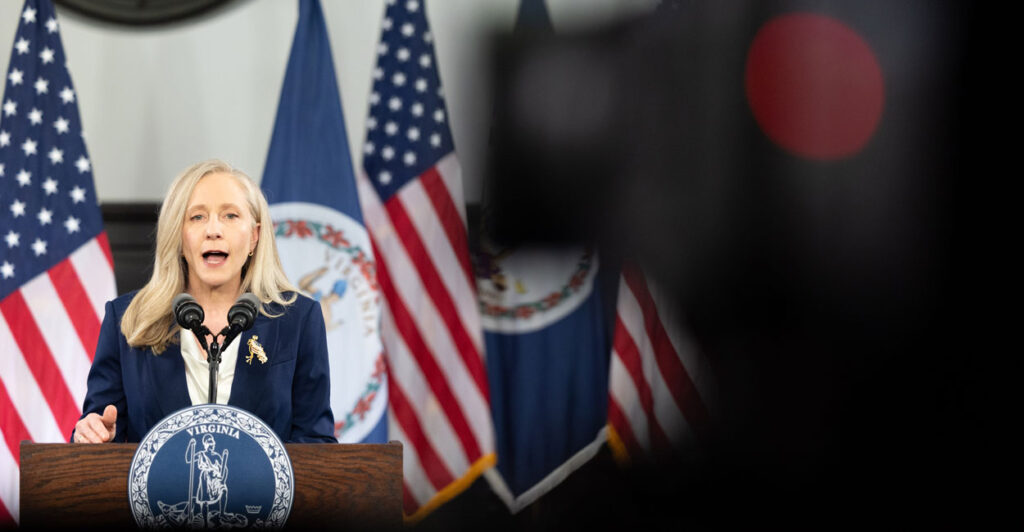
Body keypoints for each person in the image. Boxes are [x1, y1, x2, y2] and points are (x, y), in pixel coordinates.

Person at [71, 159, 336, 444]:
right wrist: (93, 435)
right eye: (197, 217)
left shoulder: (298, 321)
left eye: (230, 216)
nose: (213, 230)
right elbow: (98, 430)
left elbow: (316, 444)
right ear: (178, 236)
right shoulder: (127, 319)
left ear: (255, 237)